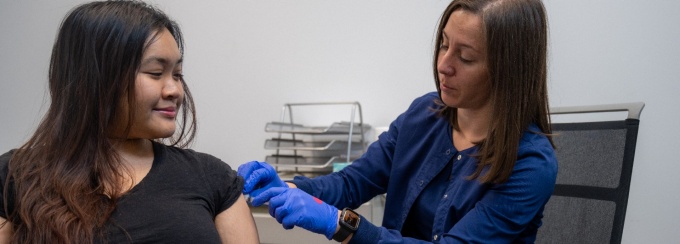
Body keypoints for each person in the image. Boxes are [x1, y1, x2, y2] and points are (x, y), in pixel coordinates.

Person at [238, 0, 557, 242]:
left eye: (466, 57)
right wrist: (291, 187)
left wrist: (341, 223)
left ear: (508, 71)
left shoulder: (530, 164)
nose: (443, 64)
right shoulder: (423, 115)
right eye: (444, 44)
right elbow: (352, 183)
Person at [0, 1, 259, 243]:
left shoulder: (213, 178)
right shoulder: (15, 176)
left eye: (177, 74)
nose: (175, 91)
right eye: (156, 73)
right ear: (96, 79)